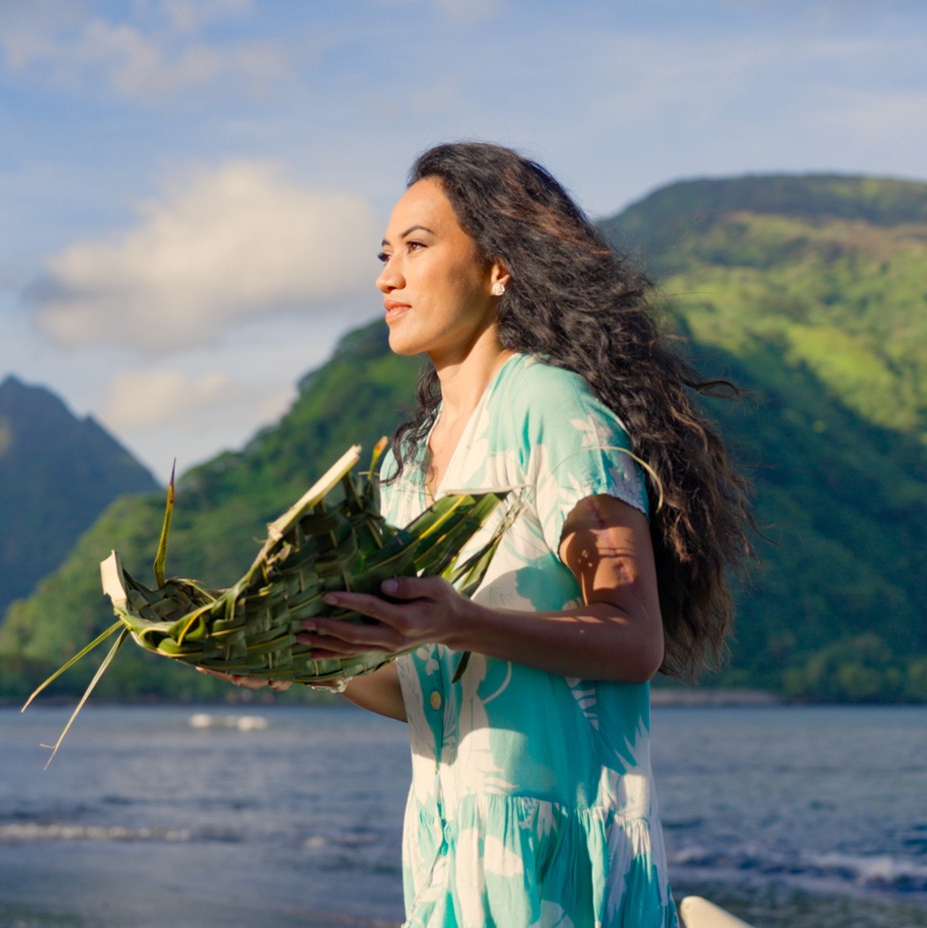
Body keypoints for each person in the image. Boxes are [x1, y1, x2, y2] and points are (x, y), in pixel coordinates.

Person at [222, 141, 755, 927]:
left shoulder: (553, 410)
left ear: (498, 266)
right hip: (449, 851)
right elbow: (428, 695)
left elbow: (633, 638)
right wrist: (306, 659)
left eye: (415, 246)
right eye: (382, 254)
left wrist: (460, 618)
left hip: (554, 854)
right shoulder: (405, 467)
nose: (386, 277)